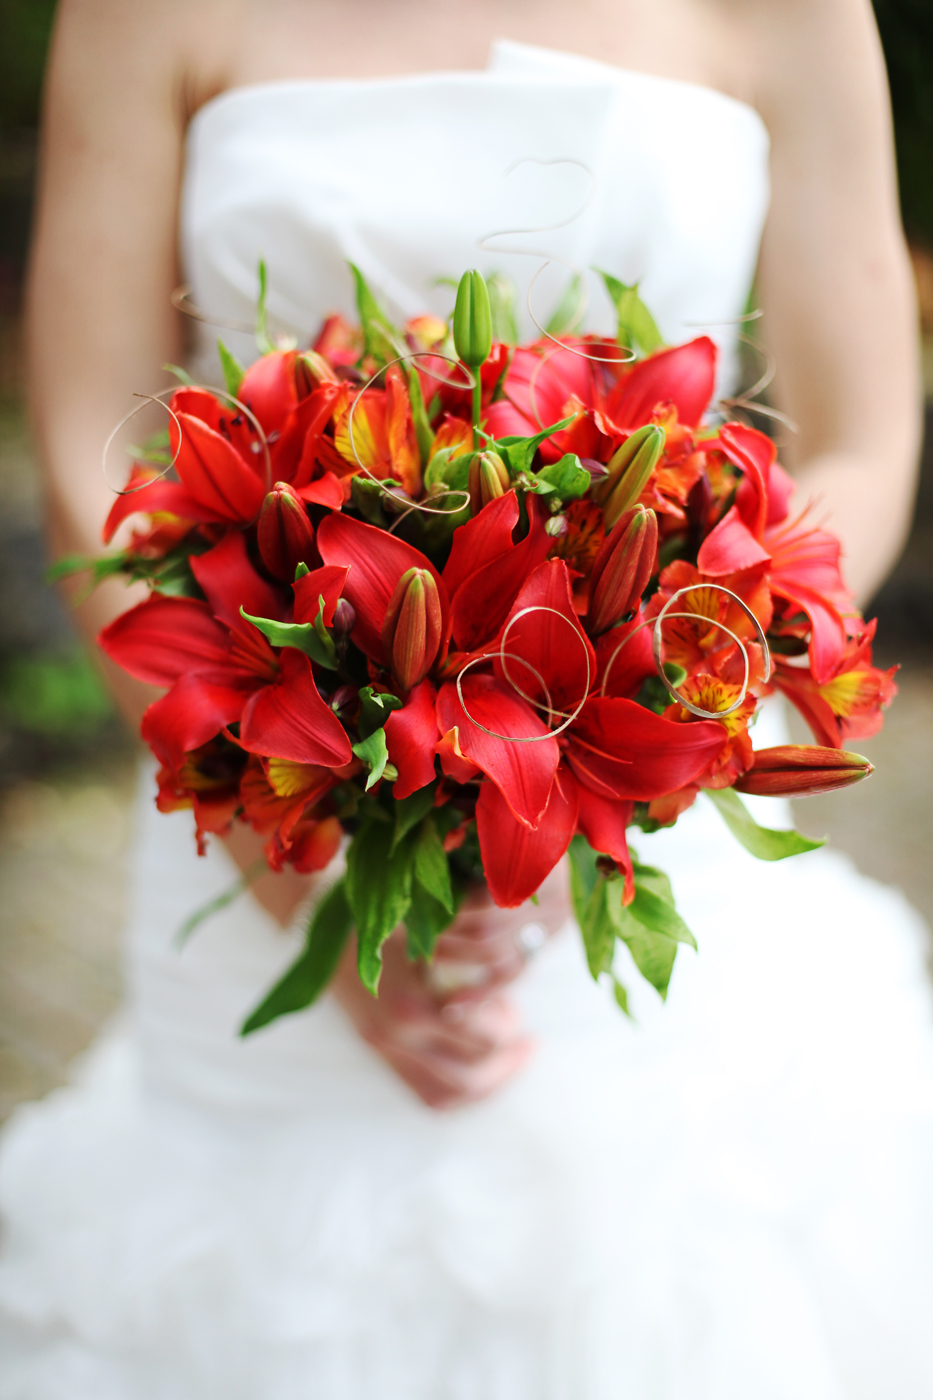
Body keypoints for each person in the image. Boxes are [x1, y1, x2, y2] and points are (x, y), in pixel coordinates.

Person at [0, 0, 929, 1395]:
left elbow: (861, 442)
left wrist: (623, 756)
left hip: (646, 781)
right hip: (266, 805)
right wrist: (293, 857)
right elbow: (93, 428)